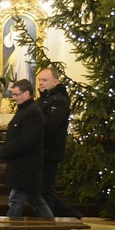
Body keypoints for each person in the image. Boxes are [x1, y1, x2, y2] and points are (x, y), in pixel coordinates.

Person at [0, 78, 54, 230]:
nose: (14, 98)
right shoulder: (25, 110)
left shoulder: (33, 113)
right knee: (36, 200)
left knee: (15, 201)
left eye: (16, 94)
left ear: (27, 93)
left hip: (26, 166)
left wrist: (5, 151)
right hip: (21, 165)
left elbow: (25, 141)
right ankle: (54, 228)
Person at [37, 67, 82, 219]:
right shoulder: (43, 99)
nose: (41, 83)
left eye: (45, 80)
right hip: (40, 151)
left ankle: (46, 224)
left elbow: (50, 126)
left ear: (56, 82)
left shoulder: (60, 101)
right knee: (41, 189)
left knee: (46, 190)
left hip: (50, 151)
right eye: (39, 80)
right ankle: (70, 214)